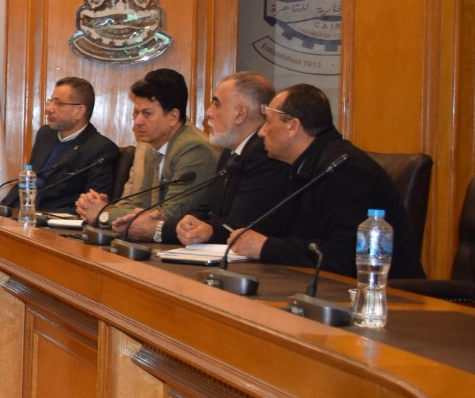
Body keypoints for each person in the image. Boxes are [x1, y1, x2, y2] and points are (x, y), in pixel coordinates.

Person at [227, 84, 424, 278]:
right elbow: (282, 232)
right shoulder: (304, 165)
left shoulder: (345, 170)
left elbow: (344, 257)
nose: (261, 132)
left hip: (384, 292)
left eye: (268, 122)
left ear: (292, 126)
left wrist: (267, 247)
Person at [75, 68, 216, 242]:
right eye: (136, 113)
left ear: (173, 116)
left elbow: (170, 215)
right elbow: (133, 202)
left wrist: (103, 214)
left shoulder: (194, 149)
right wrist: (105, 209)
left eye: (146, 114)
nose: (137, 122)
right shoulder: (147, 146)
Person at [175, 72, 292, 245]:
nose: (208, 113)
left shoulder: (264, 154)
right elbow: (208, 208)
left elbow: (241, 226)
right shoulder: (230, 152)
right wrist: (190, 221)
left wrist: (161, 229)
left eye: (216, 104)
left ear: (240, 114)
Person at [12, 77, 119, 212]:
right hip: (20, 212)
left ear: (79, 111)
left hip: (50, 218)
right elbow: (29, 181)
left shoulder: (100, 149)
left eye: (58, 103)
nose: (49, 109)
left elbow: (92, 206)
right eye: (50, 101)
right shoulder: (45, 134)